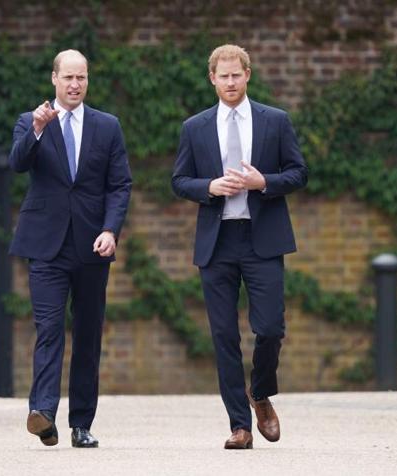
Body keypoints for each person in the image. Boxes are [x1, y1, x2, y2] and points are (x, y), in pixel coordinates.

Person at [171, 44, 307, 449]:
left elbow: (299, 173)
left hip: (262, 237)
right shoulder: (194, 127)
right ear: (211, 78)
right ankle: (239, 426)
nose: (230, 82)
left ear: (248, 75)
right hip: (217, 241)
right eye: (222, 75)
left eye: (236, 75)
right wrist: (209, 187)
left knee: (269, 328)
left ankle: (260, 392)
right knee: (224, 335)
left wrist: (262, 182)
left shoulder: (275, 121)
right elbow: (179, 181)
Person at [9, 49, 132, 448]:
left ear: (87, 80)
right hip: (46, 245)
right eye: (68, 78)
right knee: (49, 329)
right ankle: (43, 413)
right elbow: (18, 162)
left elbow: (119, 184)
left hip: (92, 247)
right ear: (54, 79)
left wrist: (111, 229)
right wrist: (39, 130)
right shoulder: (31, 121)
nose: (75, 84)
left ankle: (81, 423)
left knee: (87, 333)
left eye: (81, 77)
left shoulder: (107, 126)